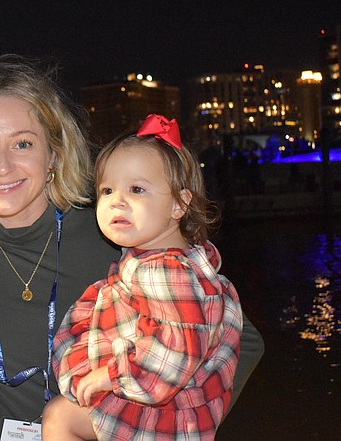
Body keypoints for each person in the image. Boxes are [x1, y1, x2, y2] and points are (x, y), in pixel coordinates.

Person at [0, 57, 263, 441]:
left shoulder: (113, 237)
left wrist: (169, 426)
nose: (2, 165)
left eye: (23, 143)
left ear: (54, 155)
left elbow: (242, 339)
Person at [42, 115, 242, 440]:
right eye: (107, 190)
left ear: (179, 204)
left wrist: (110, 376)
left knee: (59, 419)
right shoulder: (161, 265)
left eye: (137, 189)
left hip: (163, 418)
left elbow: (177, 354)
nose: (117, 200)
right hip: (162, 409)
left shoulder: (169, 274)